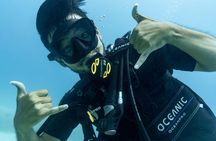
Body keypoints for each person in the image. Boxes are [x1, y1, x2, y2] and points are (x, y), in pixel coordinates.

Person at [11, 0, 216, 141]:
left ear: (97, 32)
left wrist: (172, 32)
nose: (83, 49)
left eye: (84, 34)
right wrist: (22, 128)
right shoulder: (79, 100)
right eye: (67, 48)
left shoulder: (140, 49)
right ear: (62, 61)